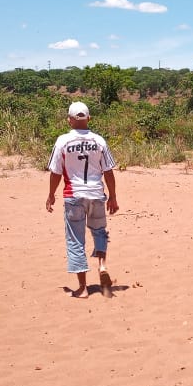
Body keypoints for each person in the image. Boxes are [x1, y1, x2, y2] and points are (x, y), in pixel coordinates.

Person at [46, 101, 119, 297]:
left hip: (74, 195)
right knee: (100, 233)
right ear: (89, 119)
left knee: (76, 240)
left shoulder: (62, 141)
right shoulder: (99, 141)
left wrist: (51, 195)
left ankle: (82, 288)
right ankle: (102, 265)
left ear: (69, 120)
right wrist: (113, 197)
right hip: (96, 194)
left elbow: (56, 172)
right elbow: (108, 171)